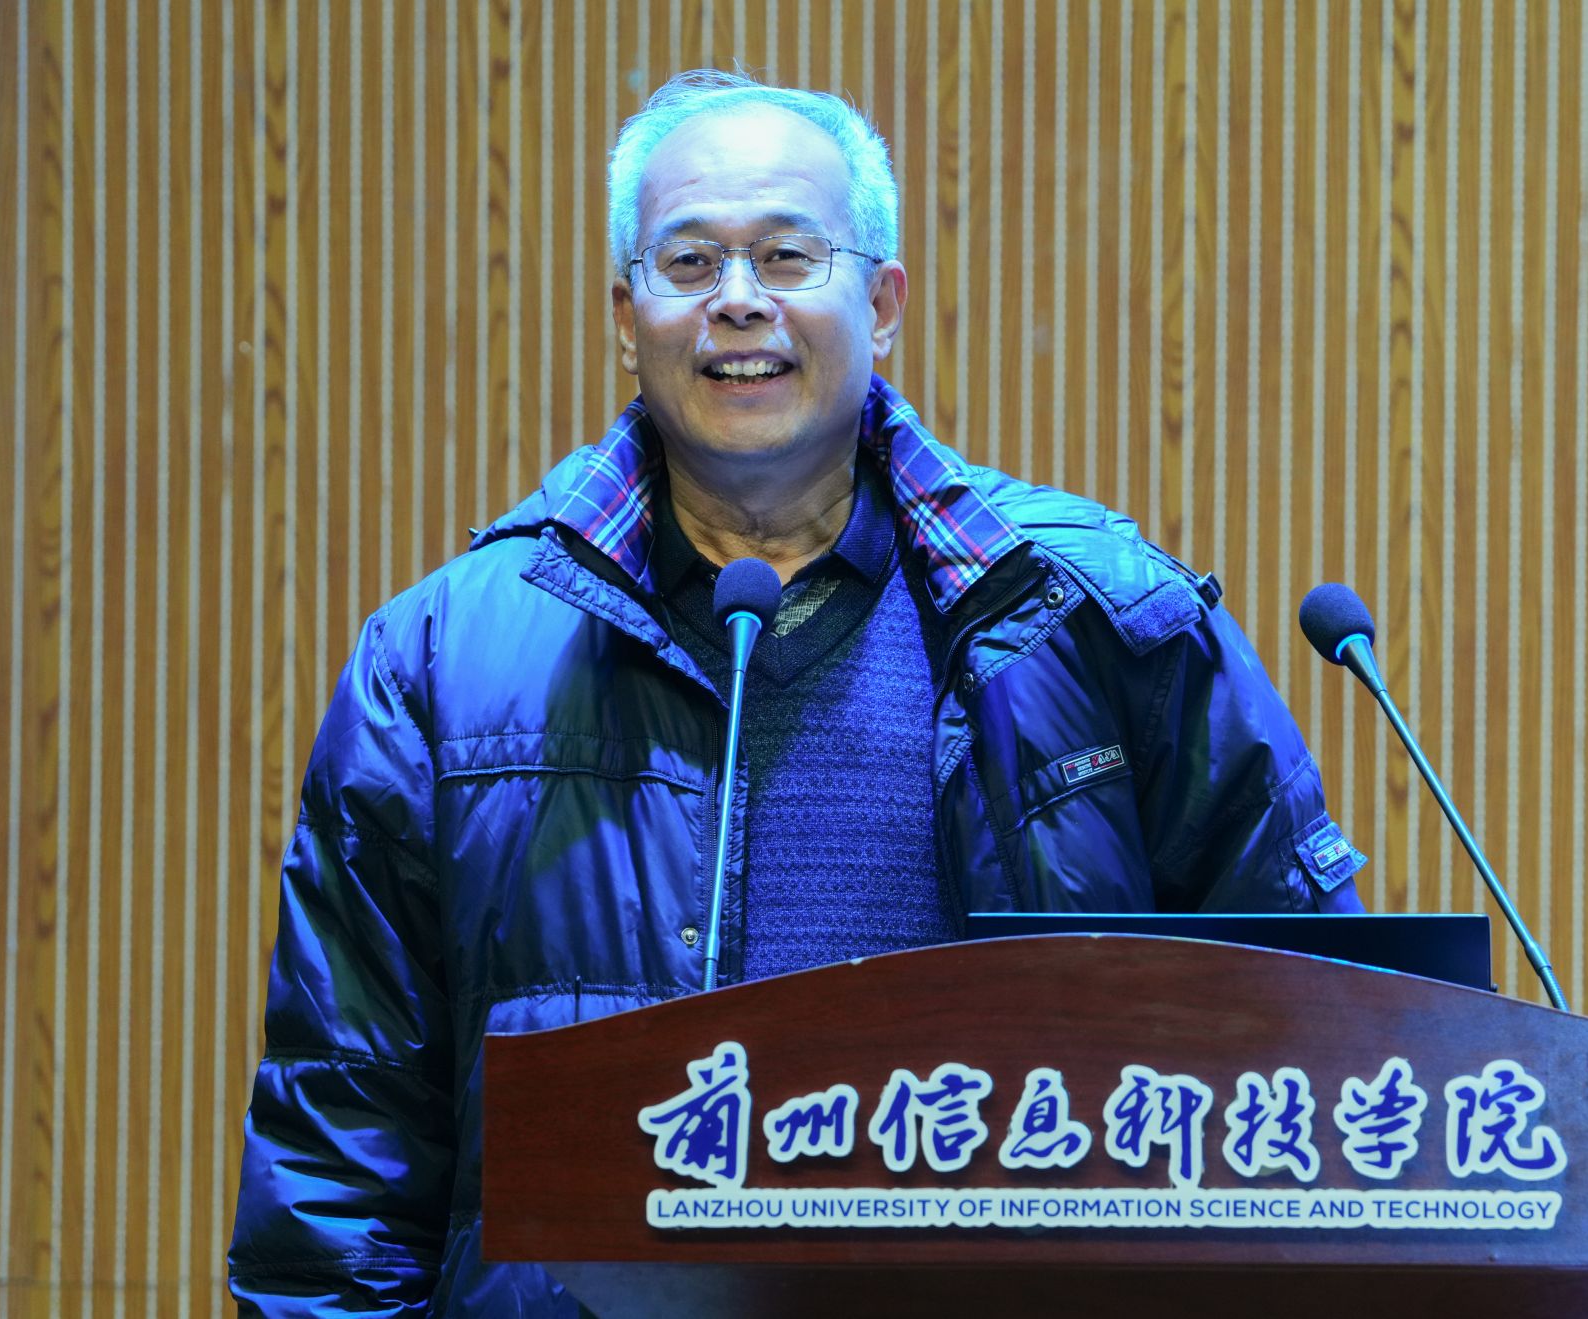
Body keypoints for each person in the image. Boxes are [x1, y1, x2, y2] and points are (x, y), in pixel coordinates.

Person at [228, 70, 1365, 1316]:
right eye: (688, 262)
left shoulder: (1096, 618)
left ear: (880, 304)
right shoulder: (441, 664)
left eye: (785, 255)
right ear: (626, 316)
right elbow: (339, 1156)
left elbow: (1323, 1054)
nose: (737, 299)